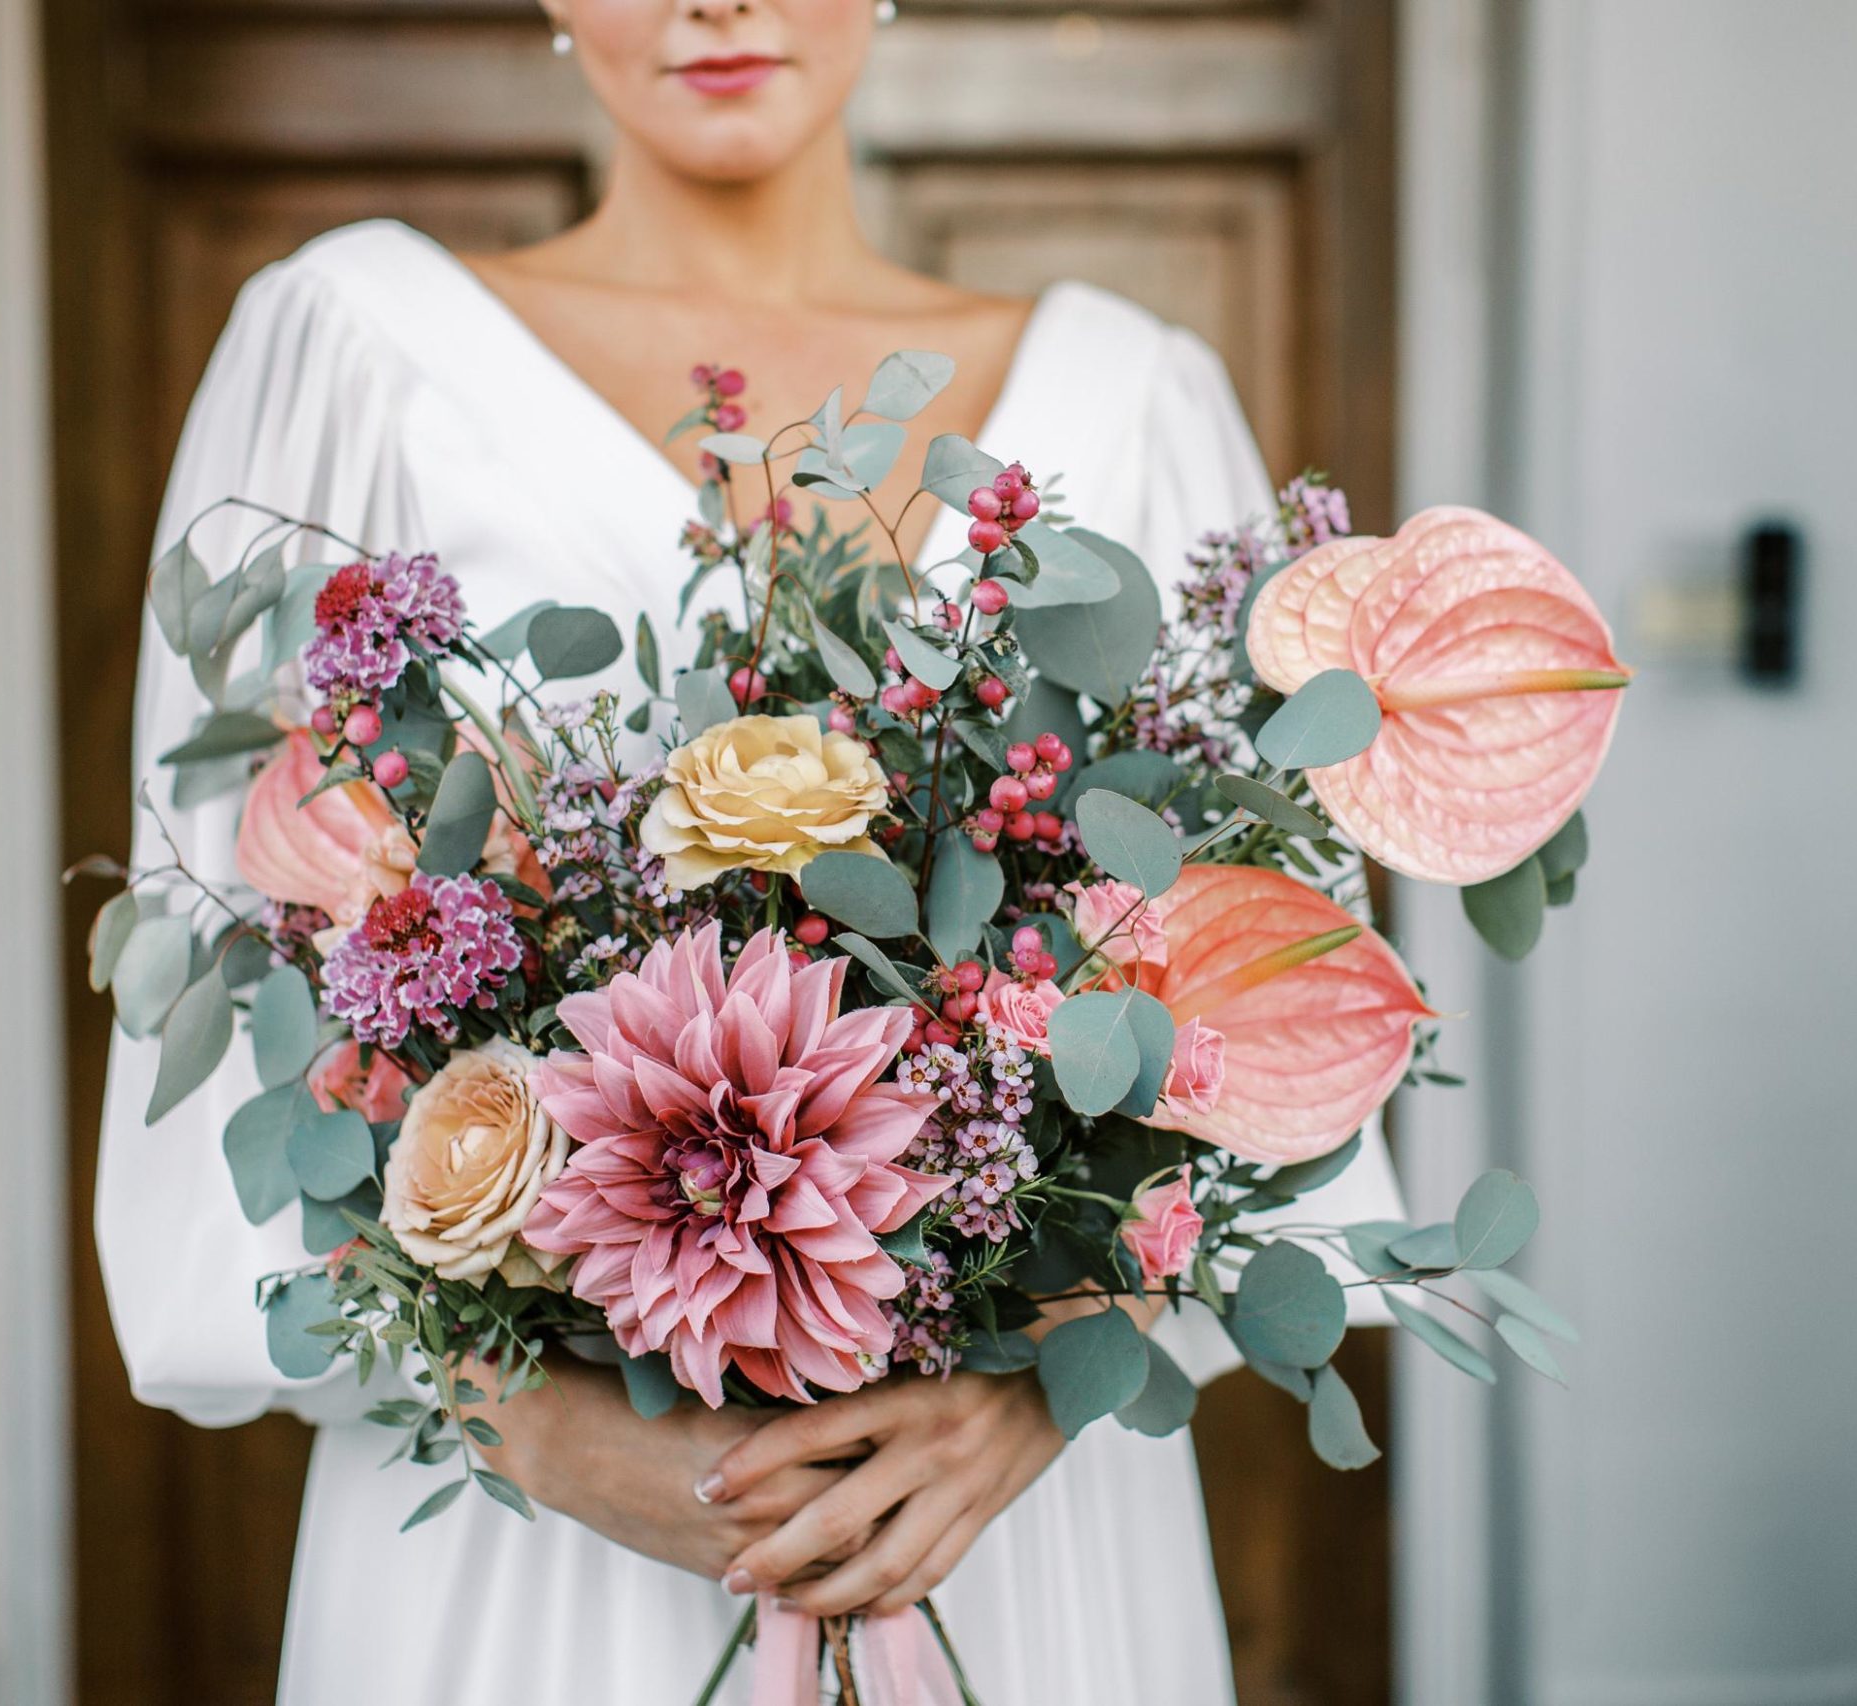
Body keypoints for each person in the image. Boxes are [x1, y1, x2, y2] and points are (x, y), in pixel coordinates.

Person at [95, 0, 1402, 1696]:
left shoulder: (1135, 397)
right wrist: (548, 1433)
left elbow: (1282, 1010)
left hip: (998, 1535)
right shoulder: (354, 346)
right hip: (538, 1552)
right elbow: (224, 1025)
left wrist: (1041, 1383)